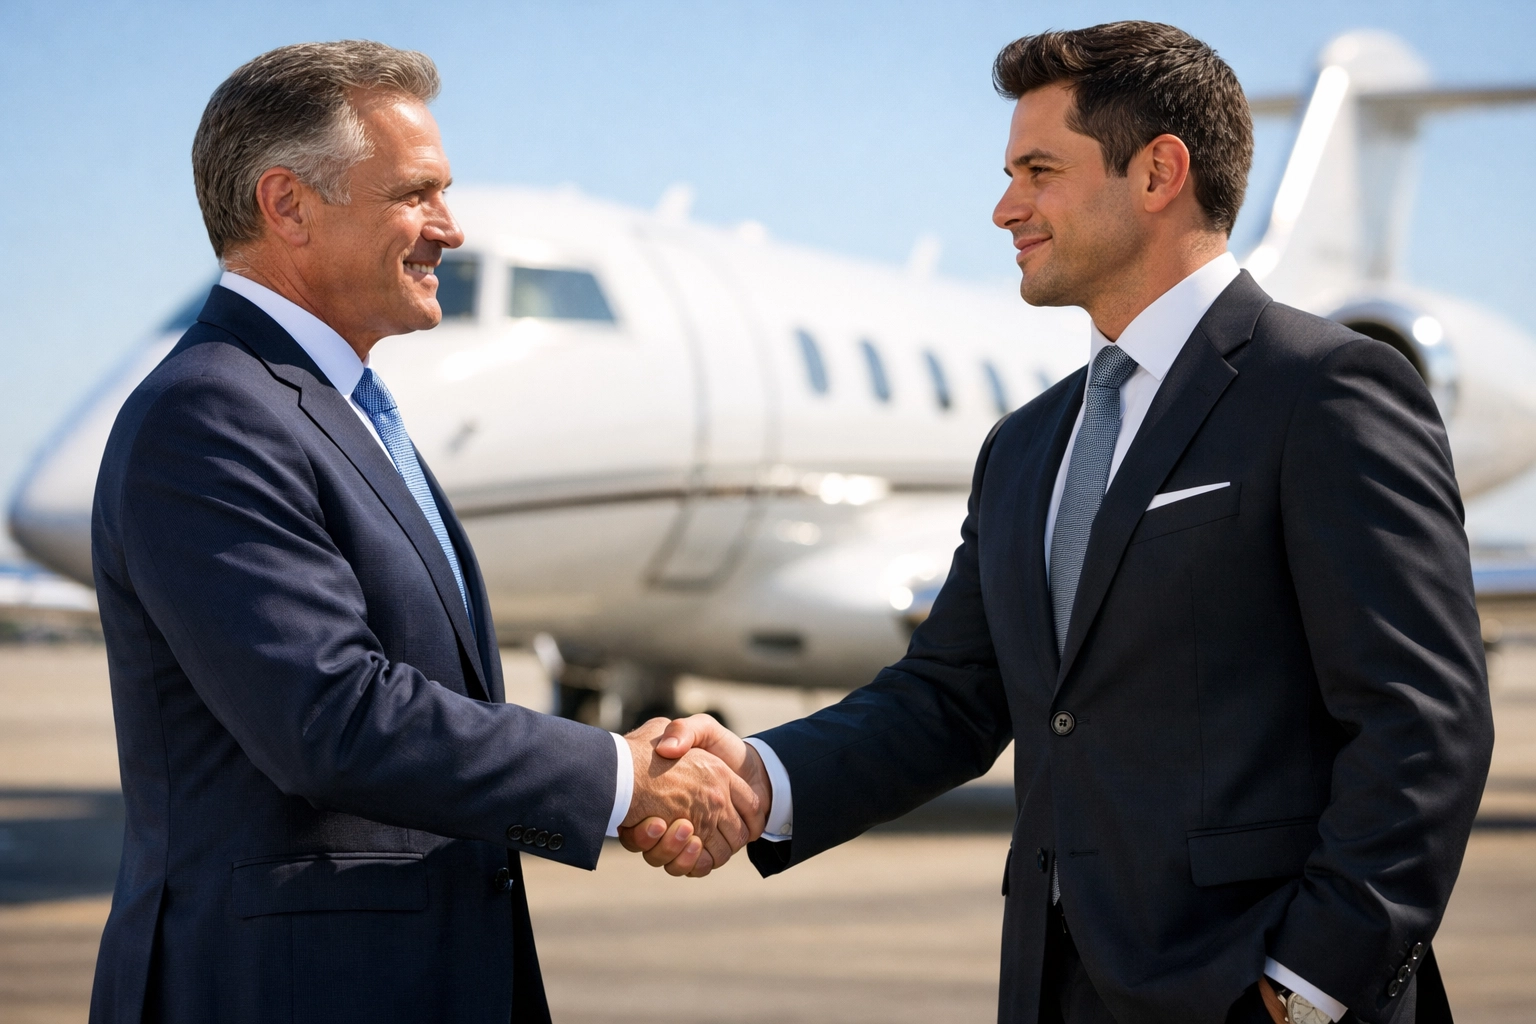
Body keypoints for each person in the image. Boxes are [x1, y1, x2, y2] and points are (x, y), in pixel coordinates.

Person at [636, 21, 1492, 1024]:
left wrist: (1307, 986)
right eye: (1009, 172)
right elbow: (949, 697)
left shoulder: (1326, 391)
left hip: (1259, 987)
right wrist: (761, 773)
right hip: (1058, 986)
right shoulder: (1026, 446)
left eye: (1039, 170)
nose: (1006, 208)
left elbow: (1421, 723)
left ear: (1159, 172)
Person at [89, 40, 758, 1024]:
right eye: (416, 193)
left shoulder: (342, 404)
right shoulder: (213, 412)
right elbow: (332, 715)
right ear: (288, 205)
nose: (450, 226)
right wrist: (621, 777)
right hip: (282, 989)